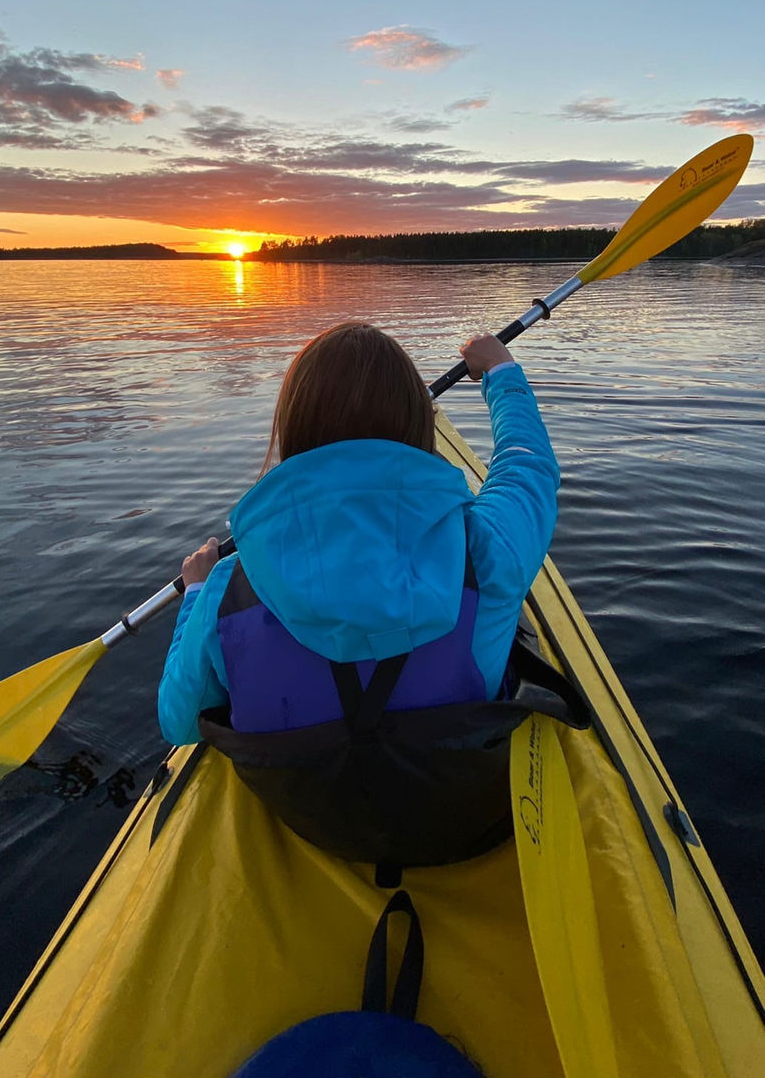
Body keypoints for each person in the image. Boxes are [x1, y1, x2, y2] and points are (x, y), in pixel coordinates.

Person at [158, 321, 560, 868]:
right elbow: (526, 468)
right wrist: (501, 373)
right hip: (456, 824)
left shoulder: (228, 589)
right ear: (421, 425)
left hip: (313, 827)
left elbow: (179, 723)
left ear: (293, 433)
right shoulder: (486, 550)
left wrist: (195, 594)